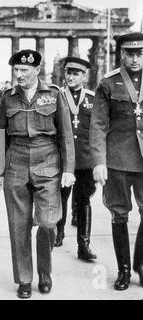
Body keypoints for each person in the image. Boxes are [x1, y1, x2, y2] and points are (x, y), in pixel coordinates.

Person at [0, 49, 75, 299]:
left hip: (47, 161)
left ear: (37, 71)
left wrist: (69, 169)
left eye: (24, 71)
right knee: (18, 225)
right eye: (16, 70)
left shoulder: (53, 94)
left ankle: (45, 272)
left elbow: (65, 135)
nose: (19, 75)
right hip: (16, 162)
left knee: (48, 223)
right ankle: (25, 279)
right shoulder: (7, 97)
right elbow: (0, 136)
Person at [90, 32, 143, 291]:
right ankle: (123, 270)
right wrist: (99, 162)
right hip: (118, 160)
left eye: (140, 53)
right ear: (121, 53)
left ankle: (140, 264)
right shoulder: (109, 83)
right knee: (119, 214)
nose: (135, 58)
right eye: (130, 53)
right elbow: (98, 125)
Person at [54, 57, 97, 261]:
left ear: (84, 76)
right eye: (68, 73)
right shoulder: (57, 96)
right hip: (62, 159)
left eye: (76, 74)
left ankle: (84, 244)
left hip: (86, 159)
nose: (71, 77)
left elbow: (98, 131)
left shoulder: (93, 98)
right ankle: (58, 232)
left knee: (84, 200)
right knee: (61, 196)